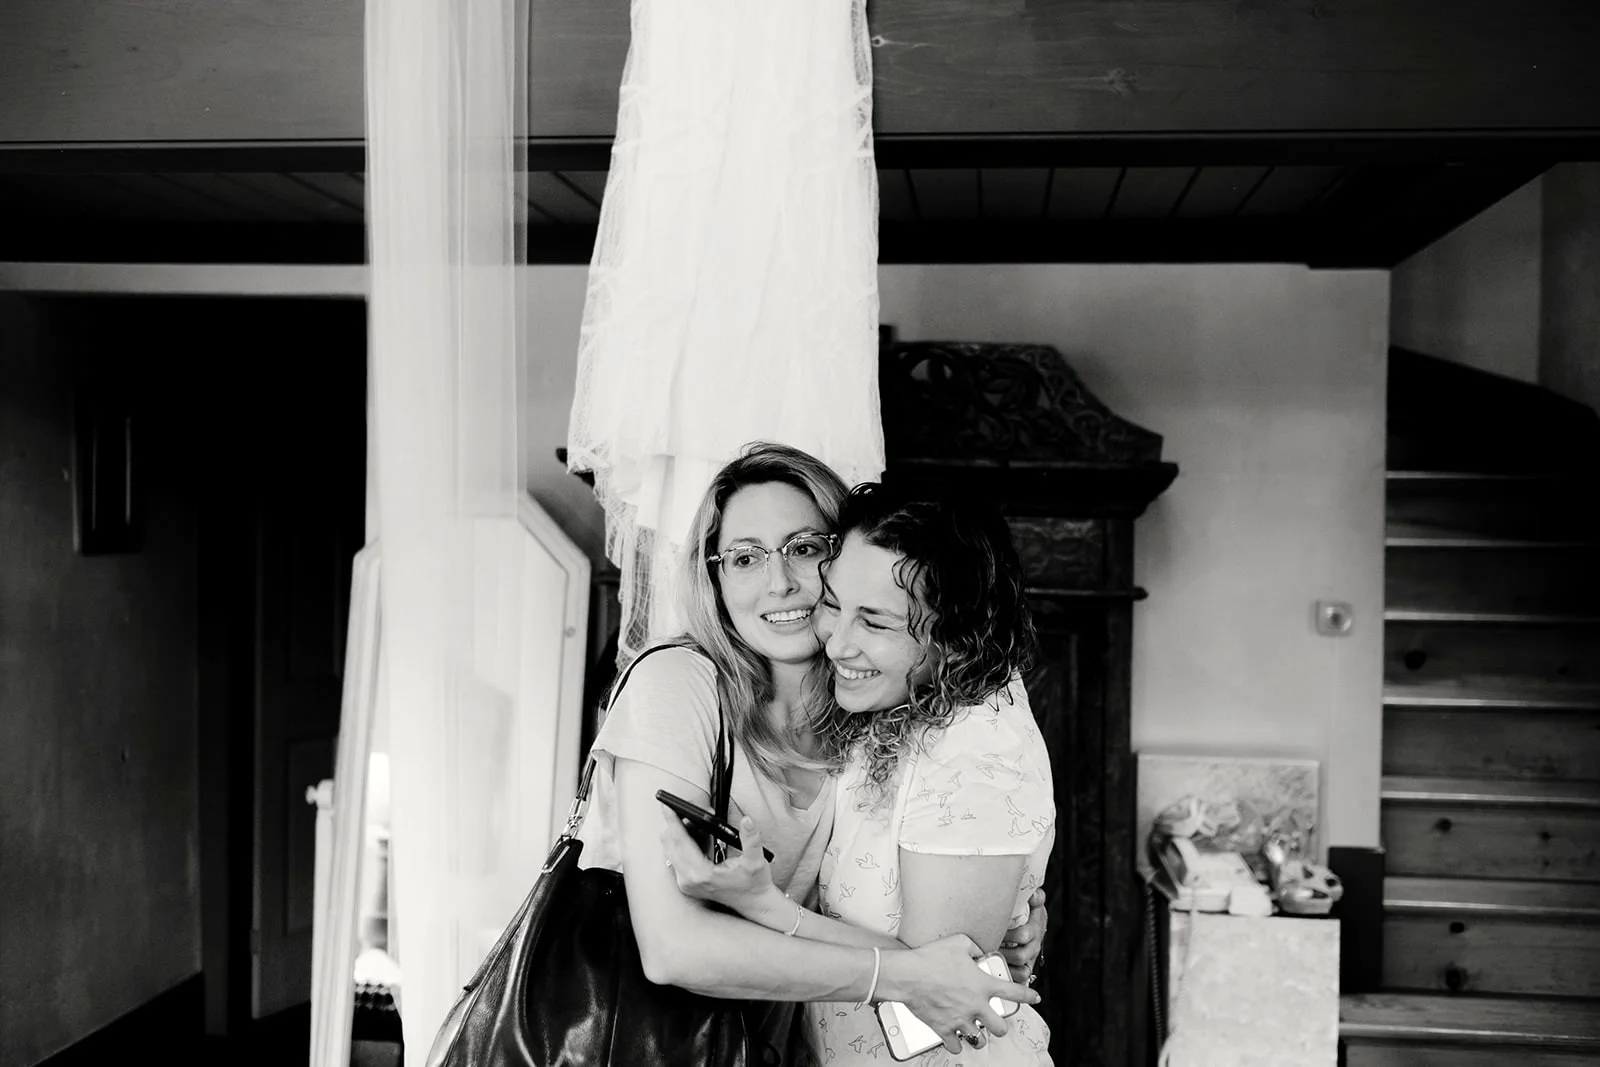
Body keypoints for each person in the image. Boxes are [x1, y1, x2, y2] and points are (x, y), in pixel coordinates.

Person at [573, 443, 1045, 1063]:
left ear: (842, 554)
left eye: (803, 547)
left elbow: (920, 891)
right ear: (713, 578)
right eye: (744, 558)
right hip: (644, 1038)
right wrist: (920, 971)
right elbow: (672, 949)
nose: (780, 582)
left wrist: (1007, 916)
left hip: (783, 1046)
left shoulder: (872, 708)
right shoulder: (679, 685)